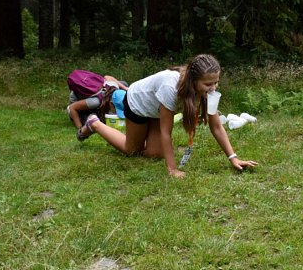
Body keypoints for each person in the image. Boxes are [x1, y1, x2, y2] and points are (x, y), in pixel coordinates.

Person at [76, 54, 258, 178]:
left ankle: (142, 138)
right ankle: (95, 124)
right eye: (208, 84)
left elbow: (216, 126)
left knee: (155, 154)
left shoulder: (207, 92)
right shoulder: (171, 87)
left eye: (216, 82)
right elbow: (166, 132)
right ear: (193, 80)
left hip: (156, 109)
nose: (214, 88)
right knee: (132, 150)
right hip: (138, 103)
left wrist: (233, 157)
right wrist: (173, 169)